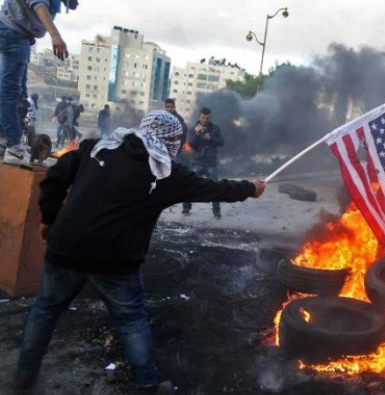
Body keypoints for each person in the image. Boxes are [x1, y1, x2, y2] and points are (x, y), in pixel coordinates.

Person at [13, 110, 265, 394]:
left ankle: (23, 377)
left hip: (65, 248)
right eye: (175, 139)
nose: (176, 144)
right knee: (131, 321)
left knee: (45, 311)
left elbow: (54, 178)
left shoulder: (96, 148)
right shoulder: (166, 173)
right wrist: (250, 188)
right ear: (168, 137)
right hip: (115, 261)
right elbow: (215, 190)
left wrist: (49, 218)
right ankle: (146, 386)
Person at [0, 0, 70, 165]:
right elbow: (36, 0)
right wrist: (55, 35)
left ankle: (4, 140)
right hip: (13, 31)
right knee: (10, 92)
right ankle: (14, 148)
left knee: (19, 95)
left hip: (19, 34)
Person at [182, 107, 225, 219]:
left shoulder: (216, 128)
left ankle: (216, 211)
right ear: (199, 117)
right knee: (190, 184)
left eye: (207, 118)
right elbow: (191, 145)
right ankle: (186, 208)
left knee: (215, 187)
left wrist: (210, 138)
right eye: (203, 118)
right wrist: (197, 134)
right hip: (197, 162)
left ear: (210, 118)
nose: (205, 120)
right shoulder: (193, 129)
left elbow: (221, 142)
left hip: (211, 163)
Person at [163, 98, 188, 163]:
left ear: (174, 107)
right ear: (164, 107)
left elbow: (183, 133)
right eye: (167, 107)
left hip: (175, 153)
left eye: (171, 107)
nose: (169, 109)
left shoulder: (179, 119)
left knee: (175, 172)